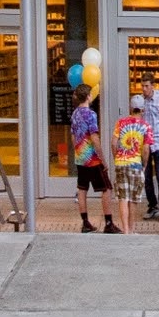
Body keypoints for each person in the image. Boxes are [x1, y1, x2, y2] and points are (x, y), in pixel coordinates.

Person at [70, 84, 116, 233]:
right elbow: (94, 138)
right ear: (88, 96)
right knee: (107, 188)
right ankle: (109, 223)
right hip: (92, 159)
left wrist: (77, 150)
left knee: (82, 189)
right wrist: (102, 159)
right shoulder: (90, 115)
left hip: (80, 157)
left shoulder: (75, 114)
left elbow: (72, 136)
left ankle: (85, 222)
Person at [109, 95, 151, 234]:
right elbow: (145, 149)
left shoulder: (120, 122)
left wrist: (117, 158)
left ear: (131, 108)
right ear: (143, 110)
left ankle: (125, 230)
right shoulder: (146, 127)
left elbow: (114, 143)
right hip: (135, 164)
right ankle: (132, 230)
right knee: (133, 199)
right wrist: (144, 165)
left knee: (123, 197)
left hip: (121, 163)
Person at [141, 75, 159, 223]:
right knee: (146, 178)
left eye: (147, 86)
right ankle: (152, 205)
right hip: (145, 145)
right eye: (143, 86)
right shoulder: (140, 102)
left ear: (153, 86)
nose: (144, 89)